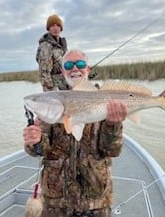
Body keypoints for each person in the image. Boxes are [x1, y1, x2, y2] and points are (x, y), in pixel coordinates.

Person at [23, 50, 128, 217]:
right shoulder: (51, 102)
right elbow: (40, 149)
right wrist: (33, 141)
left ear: (88, 68)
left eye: (80, 64)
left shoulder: (105, 99)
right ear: (63, 70)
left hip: (96, 201)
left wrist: (113, 126)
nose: (74, 69)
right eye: (68, 65)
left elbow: (112, 151)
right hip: (55, 201)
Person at [36, 14, 68, 91]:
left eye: (58, 25)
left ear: (61, 28)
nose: (55, 28)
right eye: (52, 25)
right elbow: (44, 73)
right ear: (48, 28)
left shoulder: (61, 45)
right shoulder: (45, 46)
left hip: (64, 85)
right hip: (54, 89)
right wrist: (51, 91)